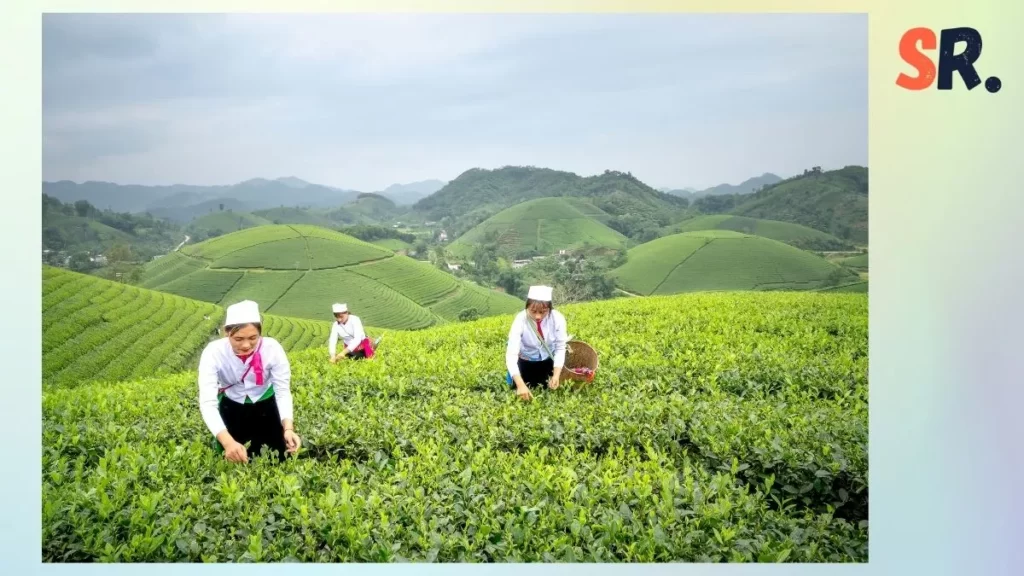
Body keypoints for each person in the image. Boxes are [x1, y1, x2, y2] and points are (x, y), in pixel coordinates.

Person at [198, 300, 301, 463]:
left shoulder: (272, 349)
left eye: (253, 338)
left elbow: (282, 391)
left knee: (277, 456)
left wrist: (288, 428)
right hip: (232, 405)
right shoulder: (214, 353)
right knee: (231, 458)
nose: (246, 345)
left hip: (266, 403)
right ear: (227, 333)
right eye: (238, 339)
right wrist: (228, 442)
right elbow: (207, 402)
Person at [504, 285, 568, 401]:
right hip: (526, 361)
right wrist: (520, 384)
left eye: (543, 312)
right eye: (533, 311)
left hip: (548, 360)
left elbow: (560, 347)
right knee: (522, 391)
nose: (538, 316)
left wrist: (556, 375)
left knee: (550, 387)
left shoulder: (557, 319)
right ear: (527, 307)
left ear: (549, 308)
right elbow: (511, 354)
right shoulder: (520, 320)